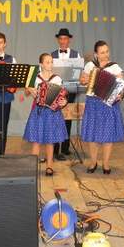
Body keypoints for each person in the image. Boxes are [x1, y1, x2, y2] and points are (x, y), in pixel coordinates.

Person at [79, 40, 124, 175]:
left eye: (107, 51)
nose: (106, 55)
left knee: (107, 135)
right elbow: (82, 81)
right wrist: (85, 80)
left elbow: (121, 85)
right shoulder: (90, 65)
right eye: (102, 52)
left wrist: (120, 94)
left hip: (108, 104)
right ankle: (93, 162)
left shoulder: (114, 67)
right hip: (93, 103)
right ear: (96, 54)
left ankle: (106, 164)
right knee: (93, 134)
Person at [23, 53, 68, 176]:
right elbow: (26, 93)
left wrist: (64, 102)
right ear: (41, 64)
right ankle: (33, 167)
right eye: (47, 62)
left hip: (52, 113)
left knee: (50, 140)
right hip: (38, 111)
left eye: (51, 62)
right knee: (36, 140)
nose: (50, 64)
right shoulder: (35, 77)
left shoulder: (57, 79)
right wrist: (30, 89)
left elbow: (62, 96)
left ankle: (49, 166)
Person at [51, 28, 81, 161]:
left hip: (70, 91)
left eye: (65, 39)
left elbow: (79, 72)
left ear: (69, 40)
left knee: (67, 119)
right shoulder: (52, 55)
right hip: (56, 90)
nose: (63, 41)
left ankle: (65, 147)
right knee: (56, 119)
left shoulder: (76, 54)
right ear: (58, 40)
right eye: (61, 39)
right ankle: (55, 149)